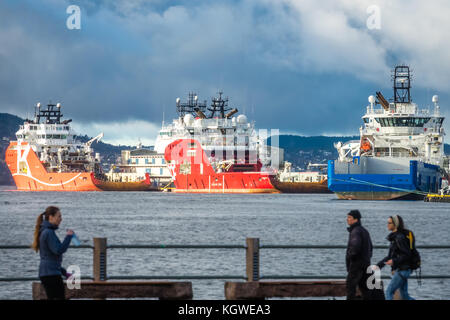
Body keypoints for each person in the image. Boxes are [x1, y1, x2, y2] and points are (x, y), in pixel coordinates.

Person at [31, 206, 74, 300]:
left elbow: (49, 257)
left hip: (48, 273)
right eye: (59, 216)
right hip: (51, 275)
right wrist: (68, 237)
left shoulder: (45, 231)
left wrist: (64, 272)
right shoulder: (48, 232)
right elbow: (58, 250)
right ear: (51, 217)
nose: (61, 219)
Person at [377, 215, 415, 300]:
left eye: (389, 223)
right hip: (403, 269)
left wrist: (394, 261)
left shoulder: (399, 238)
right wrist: (378, 266)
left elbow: (407, 254)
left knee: (389, 292)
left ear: (395, 224)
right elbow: (390, 256)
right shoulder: (395, 237)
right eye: (387, 222)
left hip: (403, 270)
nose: (387, 224)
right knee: (405, 296)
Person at [345, 210, 373, 300]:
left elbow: (355, 248)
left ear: (356, 219)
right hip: (366, 264)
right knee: (365, 289)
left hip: (356, 264)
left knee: (350, 287)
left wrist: (350, 258)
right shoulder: (364, 231)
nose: (347, 219)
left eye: (349, 217)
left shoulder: (355, 231)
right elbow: (371, 247)